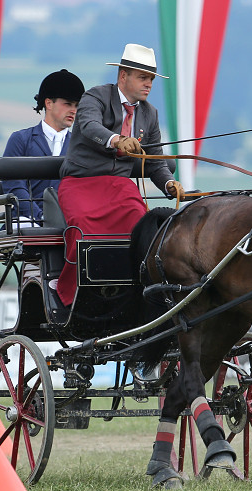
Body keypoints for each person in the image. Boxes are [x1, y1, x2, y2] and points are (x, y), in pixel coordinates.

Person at [56, 44, 184, 306]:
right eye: (142, 77)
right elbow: (89, 125)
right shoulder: (96, 96)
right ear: (123, 76)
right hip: (81, 185)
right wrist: (116, 139)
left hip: (120, 187)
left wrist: (169, 183)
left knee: (143, 227)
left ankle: (140, 294)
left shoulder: (150, 113)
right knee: (81, 226)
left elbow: (154, 161)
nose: (148, 84)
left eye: (151, 79)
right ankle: (74, 292)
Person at [1, 69, 85, 223]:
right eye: (68, 104)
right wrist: (40, 216)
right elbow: (15, 186)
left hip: (71, 222)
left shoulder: (82, 146)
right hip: (26, 219)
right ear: (49, 103)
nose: (74, 110)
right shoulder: (20, 140)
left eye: (76, 105)